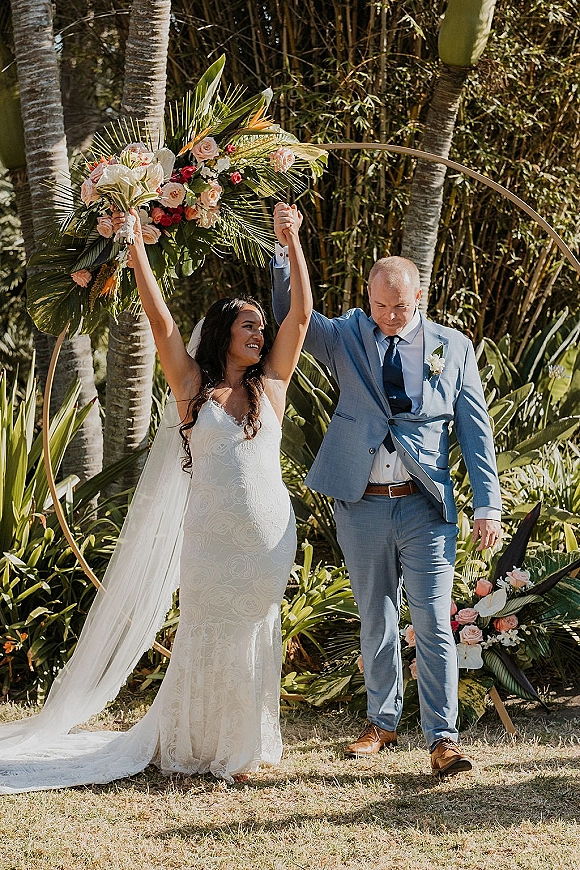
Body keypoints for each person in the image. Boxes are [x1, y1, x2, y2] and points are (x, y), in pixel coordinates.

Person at [0, 202, 310, 792]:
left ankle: (247, 748)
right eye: (247, 324)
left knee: (255, 631)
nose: (259, 332)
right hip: (211, 547)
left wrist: (289, 240)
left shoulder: (271, 386)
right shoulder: (192, 387)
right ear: (223, 334)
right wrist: (136, 248)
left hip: (270, 543)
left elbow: (300, 313)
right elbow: (159, 319)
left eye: (258, 327)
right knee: (209, 631)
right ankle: (197, 743)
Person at [271, 207, 502, 776]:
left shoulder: (455, 346)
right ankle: (381, 721)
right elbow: (289, 317)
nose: (390, 316)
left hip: (427, 507)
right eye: (380, 305)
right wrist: (286, 249)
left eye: (400, 306)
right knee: (375, 616)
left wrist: (487, 503)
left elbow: (474, 430)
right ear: (367, 297)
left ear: (419, 294)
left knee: (430, 617)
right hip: (362, 502)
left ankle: (443, 738)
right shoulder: (347, 334)